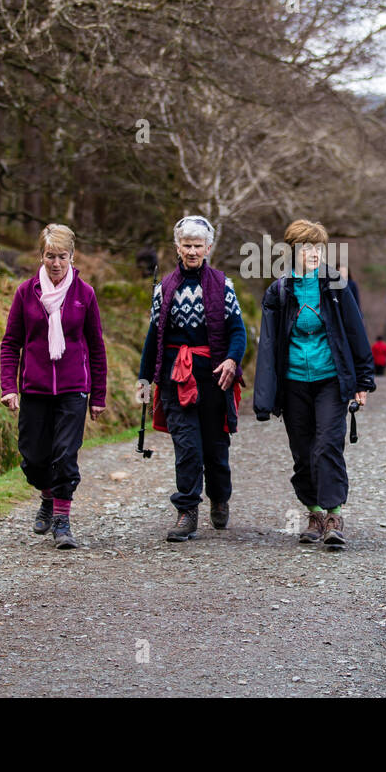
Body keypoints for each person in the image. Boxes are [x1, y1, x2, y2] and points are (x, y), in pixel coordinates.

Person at [253, 220, 374, 550]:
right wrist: (264, 396)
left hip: (330, 380)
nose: (314, 254)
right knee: (303, 451)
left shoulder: (335, 286)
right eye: (306, 248)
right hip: (293, 382)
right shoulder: (279, 291)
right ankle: (314, 513)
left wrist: (362, 380)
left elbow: (355, 332)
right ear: (292, 251)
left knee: (328, 444)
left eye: (318, 248)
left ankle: (334, 515)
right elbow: (268, 347)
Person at [138, 216, 246, 542]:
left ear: (208, 248)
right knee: (187, 447)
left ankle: (220, 496)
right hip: (175, 378)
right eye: (187, 245)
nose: (192, 251)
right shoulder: (164, 288)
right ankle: (186, 512)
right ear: (177, 247)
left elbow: (238, 332)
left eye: (198, 245)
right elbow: (154, 336)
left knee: (215, 450)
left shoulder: (223, 285)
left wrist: (231, 359)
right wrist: (144, 381)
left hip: (214, 379)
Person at [0, 224, 108, 549]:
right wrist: (9, 386)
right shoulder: (25, 292)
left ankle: (62, 521)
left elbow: (96, 346)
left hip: (74, 388)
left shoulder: (84, 295)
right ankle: (46, 495)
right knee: (33, 458)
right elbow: (11, 343)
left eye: (62, 256)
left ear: (72, 257)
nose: (56, 263)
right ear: (42, 256)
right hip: (34, 388)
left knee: (65, 455)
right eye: (50, 256)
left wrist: (98, 396)